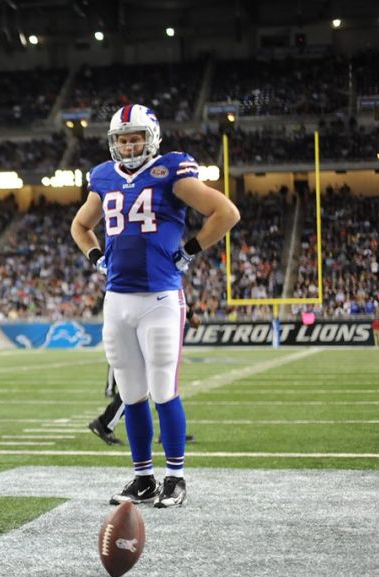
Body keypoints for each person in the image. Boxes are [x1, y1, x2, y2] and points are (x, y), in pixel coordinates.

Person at [70, 104, 240, 508]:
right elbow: (80, 225)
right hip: (117, 299)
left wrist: (189, 252)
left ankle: (176, 478)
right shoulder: (104, 176)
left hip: (161, 298)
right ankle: (143, 478)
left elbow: (225, 212)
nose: (129, 146)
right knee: (131, 395)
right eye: (122, 139)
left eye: (136, 137)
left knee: (164, 389)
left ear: (151, 138)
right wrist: (96, 258)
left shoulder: (171, 171)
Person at [89, 307, 200, 447]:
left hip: (148, 319)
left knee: (154, 382)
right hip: (148, 321)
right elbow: (169, 289)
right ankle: (104, 423)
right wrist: (190, 314)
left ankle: (167, 431)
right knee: (141, 384)